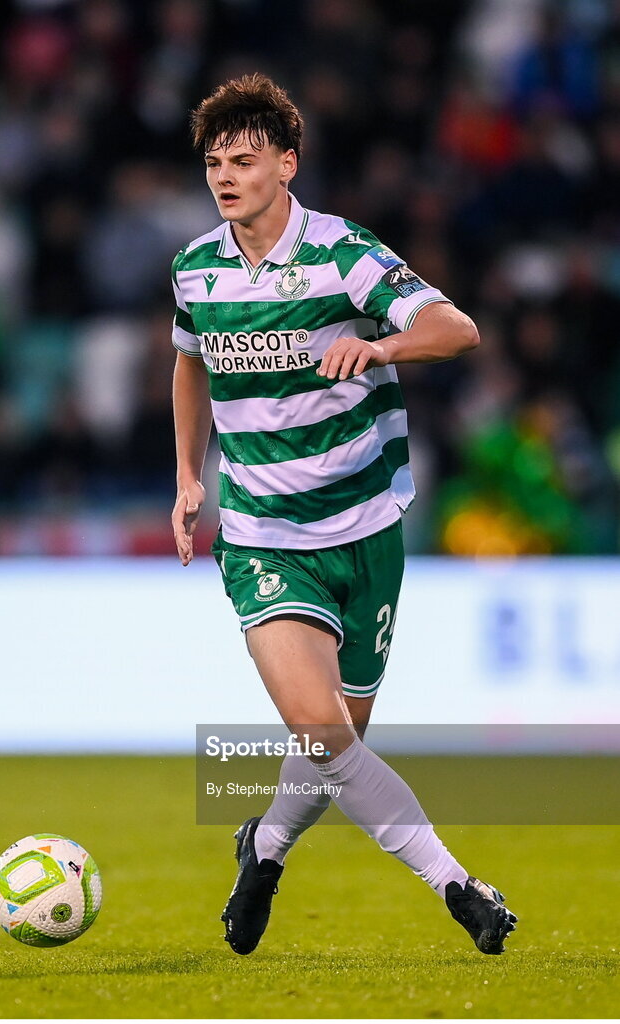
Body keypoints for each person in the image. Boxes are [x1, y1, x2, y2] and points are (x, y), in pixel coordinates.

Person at [170, 73, 517, 957]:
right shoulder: (194, 268)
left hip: (365, 529)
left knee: (338, 746)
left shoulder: (343, 256)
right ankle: (457, 886)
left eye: (243, 159)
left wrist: (380, 342)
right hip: (261, 536)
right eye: (214, 162)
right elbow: (189, 364)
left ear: (287, 164)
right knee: (323, 734)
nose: (225, 175)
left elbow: (458, 328)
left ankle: (266, 845)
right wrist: (185, 477)